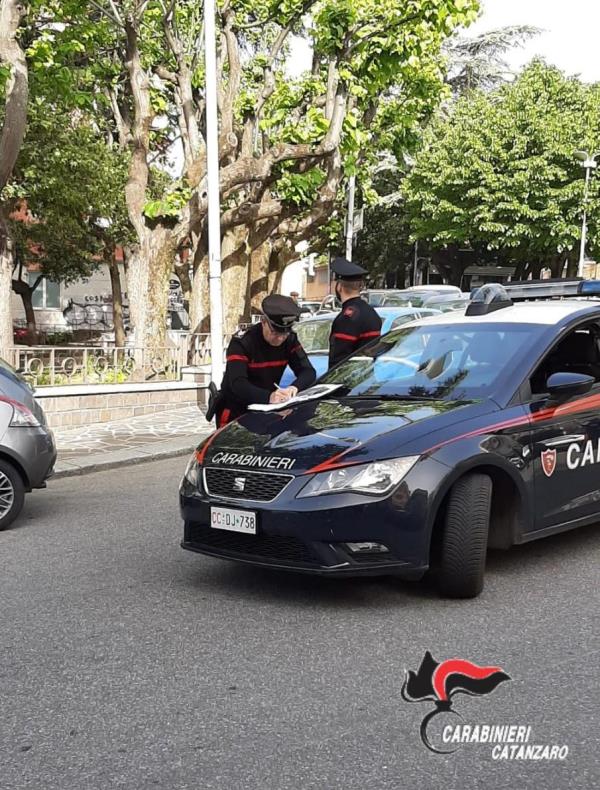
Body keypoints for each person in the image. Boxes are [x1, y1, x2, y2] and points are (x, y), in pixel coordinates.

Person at [211, 295, 316, 428]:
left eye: (284, 334)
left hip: (266, 412)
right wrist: (270, 397)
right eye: (275, 333)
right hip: (236, 411)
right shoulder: (243, 342)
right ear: (263, 321)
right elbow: (238, 383)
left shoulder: (289, 340)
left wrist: (293, 388)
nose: (279, 339)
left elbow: (308, 371)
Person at [328, 257, 382, 368]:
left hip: (348, 381)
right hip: (366, 379)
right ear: (360, 286)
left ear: (339, 287)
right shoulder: (371, 313)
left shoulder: (346, 319)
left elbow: (338, 361)